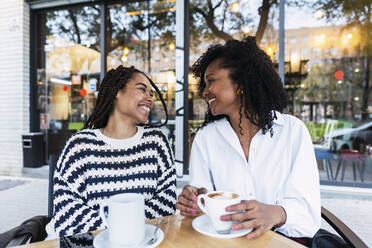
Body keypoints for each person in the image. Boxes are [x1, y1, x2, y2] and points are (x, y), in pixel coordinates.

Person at [176, 37, 321, 244]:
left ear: (241, 80)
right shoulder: (206, 138)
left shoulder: (292, 132)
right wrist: (193, 203)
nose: (204, 91)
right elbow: (202, 202)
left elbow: (309, 215)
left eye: (211, 81)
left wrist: (276, 214)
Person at [46, 65, 176, 238]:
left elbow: (166, 204)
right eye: (142, 90)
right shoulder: (80, 146)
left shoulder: (157, 141)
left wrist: (118, 227)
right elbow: (68, 215)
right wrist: (124, 229)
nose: (150, 99)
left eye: (151, 94)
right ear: (116, 93)